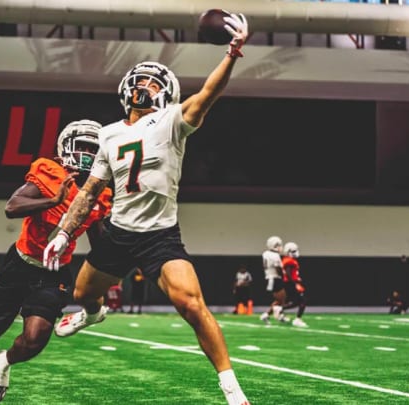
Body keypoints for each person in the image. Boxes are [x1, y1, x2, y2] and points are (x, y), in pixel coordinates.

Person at [42, 12, 251, 405]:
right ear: (126, 89)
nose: (144, 86)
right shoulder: (109, 134)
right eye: (140, 80)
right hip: (119, 232)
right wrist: (64, 232)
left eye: (153, 82)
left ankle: (231, 387)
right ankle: (92, 313)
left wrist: (231, 55)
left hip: (160, 236)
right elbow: (88, 193)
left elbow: (208, 94)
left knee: (191, 303)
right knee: (84, 293)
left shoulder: (172, 120)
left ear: (165, 92)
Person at [0, 119, 112, 405]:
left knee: (35, 340)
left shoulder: (100, 192)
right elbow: (12, 207)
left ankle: (5, 362)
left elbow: (98, 241)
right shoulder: (50, 173)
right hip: (21, 264)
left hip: (54, 272)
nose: (87, 153)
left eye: (93, 148)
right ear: (65, 147)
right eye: (82, 146)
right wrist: (53, 200)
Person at [259, 236, 288, 325]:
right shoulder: (275, 255)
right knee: (282, 299)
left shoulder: (265, 254)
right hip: (275, 278)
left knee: (280, 300)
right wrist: (283, 276)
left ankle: (268, 315)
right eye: (278, 245)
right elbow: (277, 268)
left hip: (269, 277)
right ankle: (278, 315)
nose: (280, 247)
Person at [281, 242, 307, 327]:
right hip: (291, 283)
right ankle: (297, 319)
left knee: (296, 302)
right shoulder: (289, 261)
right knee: (302, 301)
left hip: (289, 283)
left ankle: (280, 309)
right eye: (294, 251)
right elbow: (288, 274)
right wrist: (295, 283)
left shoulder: (287, 260)